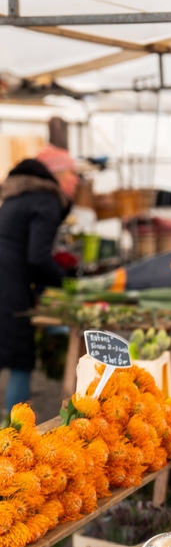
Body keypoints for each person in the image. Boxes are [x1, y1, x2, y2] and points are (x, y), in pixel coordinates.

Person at [0, 144, 78, 414]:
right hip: (9, 287)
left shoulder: (19, 194)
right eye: (72, 173)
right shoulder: (46, 199)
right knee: (20, 359)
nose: (76, 180)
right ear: (57, 175)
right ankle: (14, 435)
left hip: (7, 278)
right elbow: (37, 257)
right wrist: (64, 281)